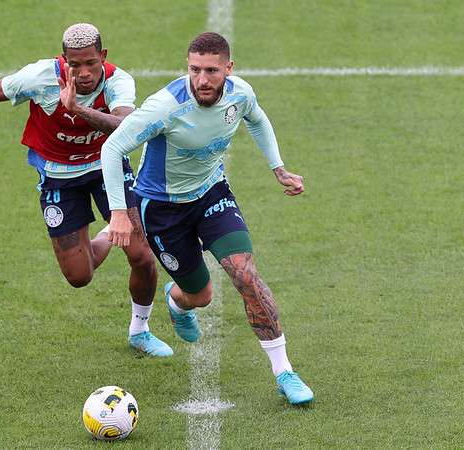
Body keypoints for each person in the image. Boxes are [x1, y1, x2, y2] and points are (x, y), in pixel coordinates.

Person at [0, 23, 172, 357]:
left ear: (103, 57)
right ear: (64, 61)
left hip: (107, 168)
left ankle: (140, 330)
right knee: (79, 276)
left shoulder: (119, 81)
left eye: (91, 62)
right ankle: (109, 231)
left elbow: (124, 126)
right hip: (58, 177)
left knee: (142, 257)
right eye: (75, 65)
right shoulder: (41, 78)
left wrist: (77, 109)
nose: (84, 72)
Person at [100, 32, 314, 404]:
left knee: (245, 275)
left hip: (211, 194)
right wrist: (119, 212)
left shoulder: (240, 93)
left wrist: (278, 168)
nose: (202, 80)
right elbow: (113, 146)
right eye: (195, 70)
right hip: (163, 210)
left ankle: (285, 372)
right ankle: (177, 302)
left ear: (228, 69)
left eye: (212, 70)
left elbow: (258, 120)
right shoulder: (165, 107)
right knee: (200, 296)